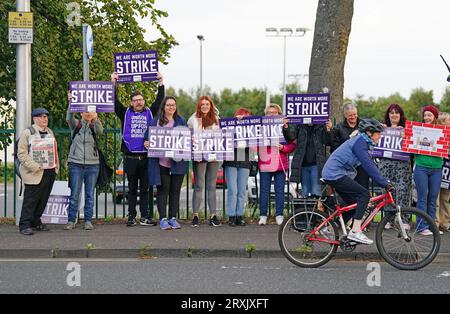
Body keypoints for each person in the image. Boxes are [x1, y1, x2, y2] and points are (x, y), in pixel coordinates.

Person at [322, 118, 392, 245]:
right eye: (378, 133)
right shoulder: (360, 143)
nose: (380, 137)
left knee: (355, 203)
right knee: (364, 195)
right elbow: (368, 165)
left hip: (335, 173)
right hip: (334, 174)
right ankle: (355, 232)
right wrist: (383, 183)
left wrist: (382, 179)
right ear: (370, 133)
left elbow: (370, 164)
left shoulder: (362, 142)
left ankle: (328, 227)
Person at [111, 72, 164, 227]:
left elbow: (160, 101)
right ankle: (131, 216)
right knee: (132, 190)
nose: (139, 102)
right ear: (131, 103)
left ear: (144, 101)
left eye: (140, 100)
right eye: (135, 100)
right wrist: (113, 83)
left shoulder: (150, 112)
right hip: (130, 158)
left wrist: (160, 82)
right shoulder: (124, 113)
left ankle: (146, 216)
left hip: (146, 158)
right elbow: (114, 102)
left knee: (146, 189)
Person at [145, 96, 188, 230]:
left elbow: (185, 139)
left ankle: (173, 218)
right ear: (164, 107)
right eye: (168, 105)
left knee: (175, 191)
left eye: (173, 105)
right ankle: (163, 219)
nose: (171, 107)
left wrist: (190, 139)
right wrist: (146, 143)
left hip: (177, 163)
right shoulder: (156, 121)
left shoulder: (181, 121)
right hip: (161, 163)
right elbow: (147, 138)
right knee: (163, 191)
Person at [17, 108, 59, 235]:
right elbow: (22, 154)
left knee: (43, 199)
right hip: (34, 172)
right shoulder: (27, 133)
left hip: (49, 171)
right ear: (34, 118)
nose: (44, 119)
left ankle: (36, 221)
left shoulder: (49, 131)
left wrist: (55, 166)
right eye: (41, 117)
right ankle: (24, 225)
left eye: (46, 116)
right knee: (30, 199)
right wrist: (35, 166)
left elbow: (54, 150)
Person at [64, 106, 103, 231]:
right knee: (75, 194)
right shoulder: (76, 125)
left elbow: (100, 131)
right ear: (81, 112)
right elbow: (69, 117)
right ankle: (71, 221)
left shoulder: (94, 125)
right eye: (85, 110)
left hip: (93, 165)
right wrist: (71, 103)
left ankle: (88, 221)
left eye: (90, 111)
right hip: (76, 163)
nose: (88, 113)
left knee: (89, 195)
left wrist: (95, 118)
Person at [258, 104, 296, 226]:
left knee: (280, 191)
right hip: (265, 162)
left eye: (274, 112)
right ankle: (263, 215)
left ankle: (279, 215)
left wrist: (283, 147)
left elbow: (293, 144)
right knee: (264, 190)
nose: (271, 114)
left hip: (280, 163)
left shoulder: (285, 126)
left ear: (279, 114)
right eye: (269, 112)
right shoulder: (261, 127)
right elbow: (253, 142)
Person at [188, 95, 221, 227]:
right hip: (200, 155)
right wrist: (191, 139)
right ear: (199, 106)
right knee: (199, 185)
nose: (205, 106)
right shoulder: (193, 119)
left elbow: (222, 136)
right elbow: (188, 136)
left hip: (213, 155)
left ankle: (213, 215)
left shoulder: (217, 119)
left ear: (211, 105)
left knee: (211, 185)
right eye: (202, 104)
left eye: (207, 104)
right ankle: (195, 215)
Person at [378, 104, 412, 230]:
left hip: (402, 165)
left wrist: (407, 135)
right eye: (391, 113)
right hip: (386, 164)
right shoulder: (382, 129)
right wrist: (381, 130)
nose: (394, 115)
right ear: (388, 115)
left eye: (396, 112)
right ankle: (389, 219)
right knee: (387, 192)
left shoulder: (407, 129)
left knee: (403, 191)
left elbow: (414, 146)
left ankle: (404, 220)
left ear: (400, 115)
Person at [413, 105, 444, 235]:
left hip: (436, 169)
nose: (426, 117)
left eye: (429, 115)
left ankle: (432, 225)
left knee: (432, 198)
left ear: (435, 117)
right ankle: (421, 227)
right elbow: (410, 145)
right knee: (422, 198)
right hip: (421, 167)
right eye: (425, 115)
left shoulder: (442, 131)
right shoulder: (418, 130)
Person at [283, 118, 332, 198]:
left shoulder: (321, 126)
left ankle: (316, 210)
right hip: (303, 165)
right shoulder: (299, 125)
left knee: (315, 191)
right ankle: (306, 210)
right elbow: (291, 137)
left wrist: (328, 130)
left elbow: (327, 142)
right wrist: (286, 127)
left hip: (316, 164)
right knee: (305, 192)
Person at [222, 107, 253, 226]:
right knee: (232, 190)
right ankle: (231, 215)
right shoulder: (231, 127)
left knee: (241, 191)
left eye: (248, 117)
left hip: (244, 160)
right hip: (231, 160)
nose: (245, 119)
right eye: (243, 116)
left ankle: (239, 215)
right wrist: (237, 123)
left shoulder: (251, 129)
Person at [331, 101, 369, 189]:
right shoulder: (338, 128)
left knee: (363, 189)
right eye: (350, 115)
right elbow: (335, 148)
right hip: (346, 165)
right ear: (345, 115)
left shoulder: (364, 126)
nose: (353, 117)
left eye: (355, 114)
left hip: (361, 164)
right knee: (349, 189)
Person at [437, 112, 450, 232]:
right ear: (442, 121)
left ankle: (445, 223)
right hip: (438, 168)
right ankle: (435, 223)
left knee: (445, 198)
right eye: (448, 120)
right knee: (436, 197)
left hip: (448, 170)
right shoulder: (437, 133)